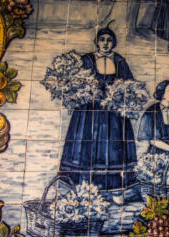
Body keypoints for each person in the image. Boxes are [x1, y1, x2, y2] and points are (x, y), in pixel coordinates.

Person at [59, 26, 137, 205]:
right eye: (102, 39)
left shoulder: (119, 61)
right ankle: (85, 191)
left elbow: (129, 85)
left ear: (113, 43)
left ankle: (116, 190)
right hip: (89, 114)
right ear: (97, 41)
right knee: (88, 149)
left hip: (112, 115)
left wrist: (122, 94)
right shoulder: (86, 60)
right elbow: (74, 82)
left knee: (112, 151)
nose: (105, 43)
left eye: (109, 40)